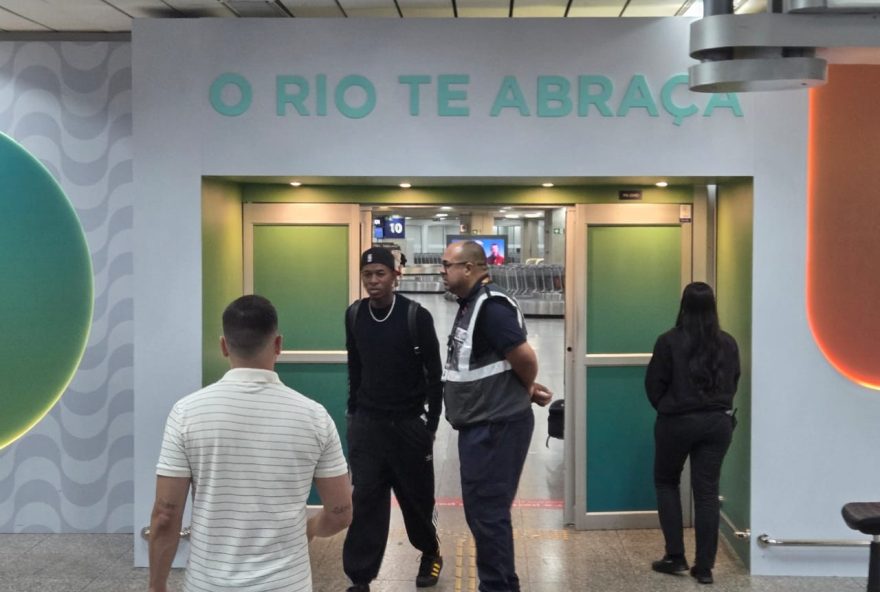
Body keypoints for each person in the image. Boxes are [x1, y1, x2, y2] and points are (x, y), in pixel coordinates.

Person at [149, 295, 352, 592]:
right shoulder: (314, 417)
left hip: (208, 584)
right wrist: (308, 528)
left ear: (223, 346)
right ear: (279, 344)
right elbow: (340, 512)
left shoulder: (187, 412)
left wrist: (156, 586)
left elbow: (165, 515)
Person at [440, 240, 552, 592]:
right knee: (485, 514)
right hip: (482, 424)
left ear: (470, 269)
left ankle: (498, 586)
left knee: (488, 515)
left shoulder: (492, 308)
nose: (442, 272)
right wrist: (523, 388)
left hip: (496, 427)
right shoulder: (471, 304)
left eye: (448, 266)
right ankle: (503, 583)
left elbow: (525, 358)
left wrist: (526, 385)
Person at [343, 247, 444, 592]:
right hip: (368, 425)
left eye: (380, 274)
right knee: (367, 500)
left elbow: (435, 375)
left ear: (394, 275)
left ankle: (430, 551)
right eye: (367, 274)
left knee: (417, 499)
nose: (373, 281)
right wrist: (353, 412)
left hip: (408, 424)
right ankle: (360, 576)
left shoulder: (416, 316)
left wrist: (430, 426)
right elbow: (355, 367)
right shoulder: (354, 314)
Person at [645, 282, 741, 586]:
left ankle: (675, 556)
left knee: (666, 482)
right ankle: (705, 567)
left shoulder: (668, 341)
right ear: (713, 307)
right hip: (717, 423)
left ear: (683, 306)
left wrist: (668, 407)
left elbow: (654, 385)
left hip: (677, 422)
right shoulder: (728, 343)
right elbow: (733, 382)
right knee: (707, 493)